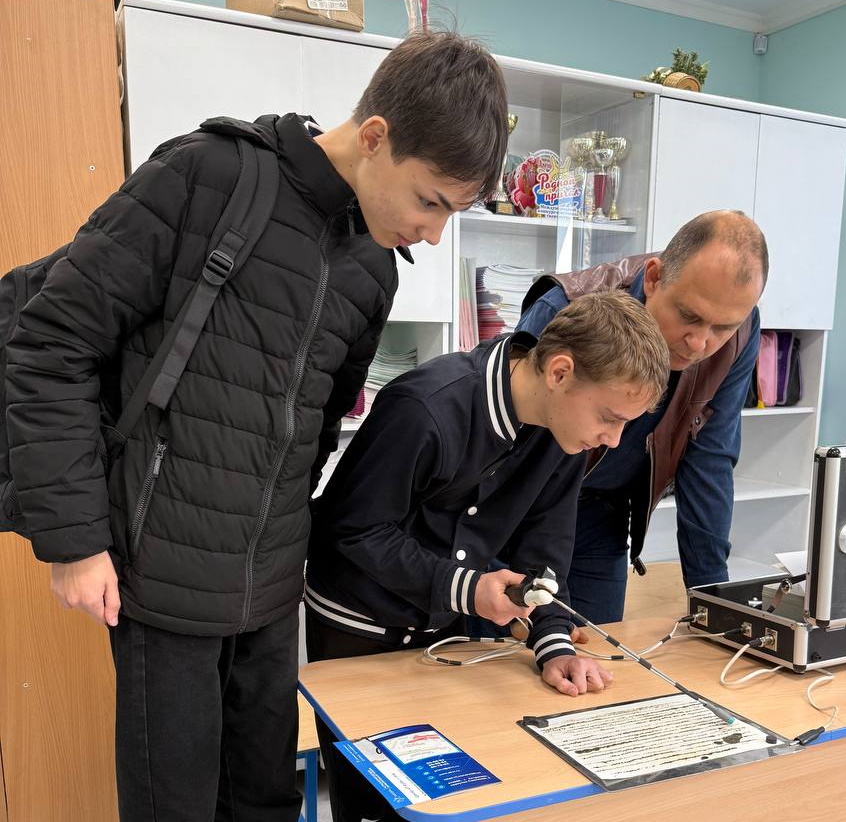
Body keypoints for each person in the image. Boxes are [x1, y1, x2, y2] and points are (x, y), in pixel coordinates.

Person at [5, 31, 508, 822]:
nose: (435, 233)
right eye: (431, 202)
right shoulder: (208, 176)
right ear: (375, 137)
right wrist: (73, 540)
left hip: (272, 590)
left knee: (268, 802)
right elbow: (49, 343)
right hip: (161, 581)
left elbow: (318, 426)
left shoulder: (372, 267)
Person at [304, 291, 670, 822]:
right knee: (376, 804)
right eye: (609, 417)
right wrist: (467, 588)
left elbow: (544, 552)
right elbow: (352, 528)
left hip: (445, 632)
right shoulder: (426, 406)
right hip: (359, 628)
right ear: (560, 372)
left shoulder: (565, 432)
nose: (613, 441)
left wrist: (553, 643)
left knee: (453, 798)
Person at [518, 210, 768, 624]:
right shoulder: (565, 308)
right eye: (688, 316)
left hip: (602, 512)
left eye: (721, 328)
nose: (700, 343)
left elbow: (710, 459)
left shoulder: (739, 332)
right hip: (525, 511)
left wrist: (714, 604)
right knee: (510, 648)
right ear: (653, 278)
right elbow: (509, 454)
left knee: (597, 649)